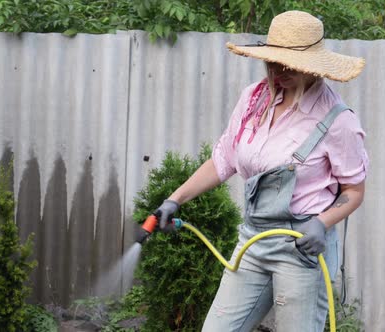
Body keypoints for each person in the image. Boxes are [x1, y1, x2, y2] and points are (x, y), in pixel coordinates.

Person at [153, 10, 369, 332]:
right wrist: (175, 199)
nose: (277, 71)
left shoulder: (339, 121)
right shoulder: (254, 99)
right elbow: (223, 159)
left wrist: (321, 224)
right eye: (272, 62)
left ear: (311, 66)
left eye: (287, 65)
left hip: (301, 247)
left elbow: (354, 191)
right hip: (253, 240)